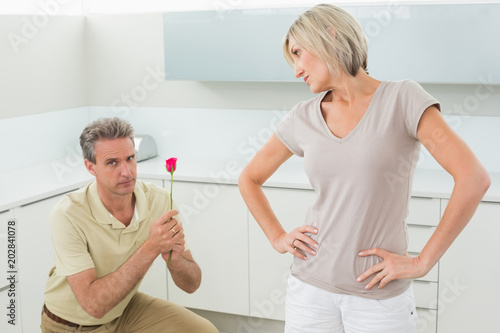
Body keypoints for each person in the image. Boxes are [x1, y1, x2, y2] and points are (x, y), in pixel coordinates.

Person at [238, 4, 490, 333]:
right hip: (310, 289)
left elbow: (473, 178)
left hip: (378, 297)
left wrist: (421, 261)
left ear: (329, 35)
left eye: (299, 53)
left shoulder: (403, 99)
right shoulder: (303, 116)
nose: (297, 69)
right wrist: (277, 237)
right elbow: (249, 178)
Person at [41, 117, 218, 333]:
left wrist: (176, 259)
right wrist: (152, 247)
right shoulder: (67, 215)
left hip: (124, 310)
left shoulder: (159, 200)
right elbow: (94, 306)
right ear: (91, 167)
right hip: (72, 325)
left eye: (130, 158)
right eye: (112, 162)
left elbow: (192, 285)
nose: (127, 172)